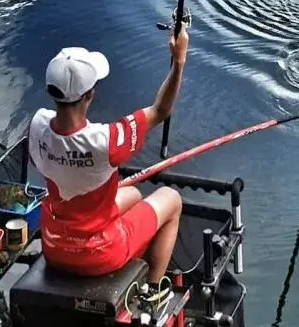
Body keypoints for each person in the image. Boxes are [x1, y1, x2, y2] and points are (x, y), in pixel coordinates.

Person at [27, 28, 189, 313]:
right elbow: (160, 111)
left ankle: (135, 264)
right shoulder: (107, 141)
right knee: (170, 199)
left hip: (54, 246)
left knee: (133, 193)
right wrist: (179, 61)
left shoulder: (38, 126)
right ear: (89, 95)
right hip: (98, 254)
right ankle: (152, 292)